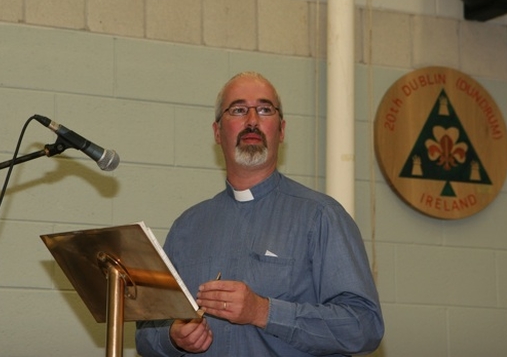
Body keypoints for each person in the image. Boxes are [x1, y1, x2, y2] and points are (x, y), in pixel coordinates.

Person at [136, 71, 384, 356]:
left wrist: (263, 311)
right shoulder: (187, 227)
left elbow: (364, 326)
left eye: (265, 109)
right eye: (239, 110)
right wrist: (172, 336)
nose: (252, 120)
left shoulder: (321, 216)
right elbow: (145, 333)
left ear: (281, 130)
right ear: (217, 132)